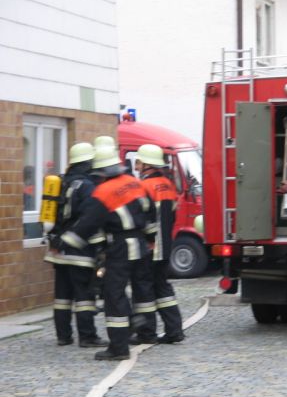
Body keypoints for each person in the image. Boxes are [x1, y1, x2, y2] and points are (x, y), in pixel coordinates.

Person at [59, 145, 157, 360]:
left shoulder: (103, 192)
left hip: (120, 247)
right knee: (143, 289)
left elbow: (89, 222)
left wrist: (67, 240)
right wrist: (150, 239)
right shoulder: (135, 182)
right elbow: (150, 213)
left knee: (114, 295)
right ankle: (146, 330)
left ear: (100, 172)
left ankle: (119, 348)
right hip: (141, 244)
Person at [44, 142, 108, 348]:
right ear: (88, 162)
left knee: (62, 296)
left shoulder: (61, 181)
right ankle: (87, 336)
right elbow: (90, 220)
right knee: (84, 296)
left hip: (57, 249)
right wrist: (100, 247)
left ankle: (63, 336)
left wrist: (56, 240)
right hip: (79, 250)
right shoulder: (88, 186)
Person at [130, 144, 185, 344]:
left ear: (146, 164)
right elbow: (173, 216)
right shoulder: (167, 185)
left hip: (149, 246)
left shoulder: (143, 186)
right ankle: (174, 330)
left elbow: (141, 218)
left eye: (138, 162)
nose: (136, 166)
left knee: (144, 289)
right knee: (163, 288)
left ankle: (146, 333)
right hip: (165, 246)